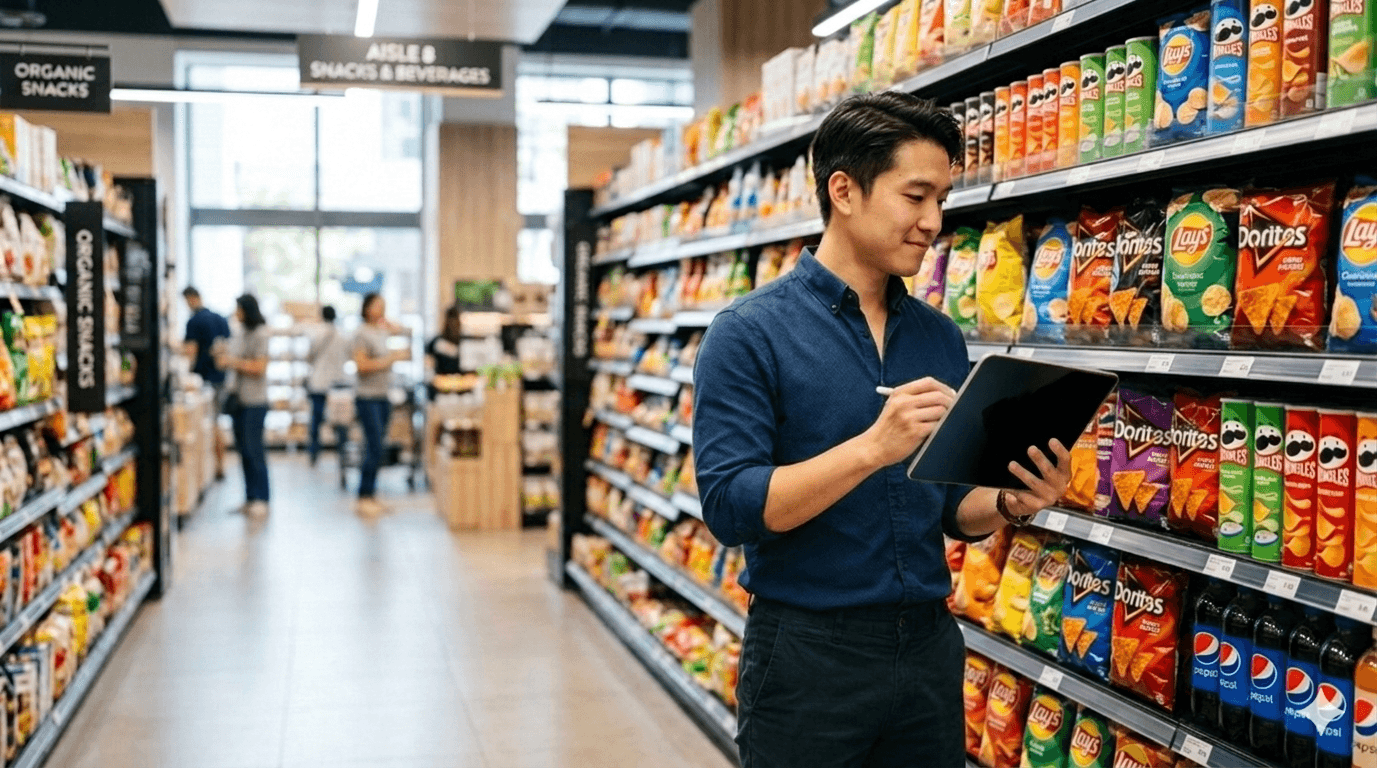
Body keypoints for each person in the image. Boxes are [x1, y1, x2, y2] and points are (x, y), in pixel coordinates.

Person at [692, 92, 1073, 768]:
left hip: (928, 648)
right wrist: (872, 448)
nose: (933, 222)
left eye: (941, 200)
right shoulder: (747, 334)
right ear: (843, 191)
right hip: (807, 657)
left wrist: (1012, 500)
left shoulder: (938, 337)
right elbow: (730, 508)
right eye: (914, 196)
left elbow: (951, 508)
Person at [353, 293, 409, 516]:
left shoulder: (381, 331)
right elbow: (361, 366)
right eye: (378, 305)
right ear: (367, 308)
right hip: (367, 397)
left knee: (379, 446)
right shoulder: (361, 333)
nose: (383, 309)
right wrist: (389, 360)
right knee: (374, 445)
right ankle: (364, 495)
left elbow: (404, 331)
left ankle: (372, 494)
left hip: (383, 396)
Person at [217, 294, 272, 518]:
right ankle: (250, 497)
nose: (236, 313)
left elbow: (260, 367)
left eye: (239, 309)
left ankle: (262, 498)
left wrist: (233, 362)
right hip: (238, 400)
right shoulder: (239, 333)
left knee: (254, 450)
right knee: (244, 452)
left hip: (255, 401)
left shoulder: (261, 334)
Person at [182, 287, 231, 480]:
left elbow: (190, 352)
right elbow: (226, 348)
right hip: (220, 378)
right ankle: (220, 465)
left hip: (202, 381)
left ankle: (205, 471)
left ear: (191, 298)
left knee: (202, 427)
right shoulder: (220, 319)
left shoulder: (194, 322)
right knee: (217, 422)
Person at [305, 305, 352, 466]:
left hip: (318, 383)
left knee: (316, 420)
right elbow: (349, 356)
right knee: (340, 421)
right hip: (338, 384)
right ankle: (342, 453)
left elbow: (309, 357)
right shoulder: (342, 334)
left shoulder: (316, 333)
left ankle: (313, 453)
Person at [424, 305, 463, 398]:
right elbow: (428, 369)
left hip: (461, 392)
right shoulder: (435, 343)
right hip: (440, 393)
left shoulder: (464, 343)